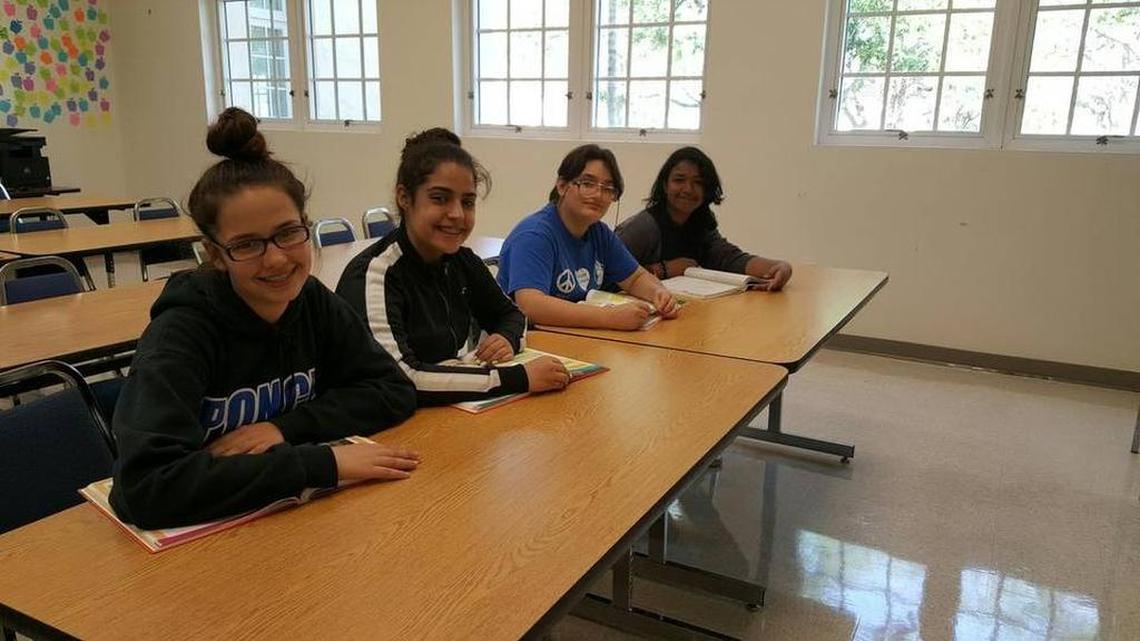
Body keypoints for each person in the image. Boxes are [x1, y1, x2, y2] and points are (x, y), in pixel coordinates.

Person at [110, 108, 419, 529]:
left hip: (287, 526)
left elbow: (392, 390)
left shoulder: (310, 301)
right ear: (215, 253)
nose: (276, 258)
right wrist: (323, 462)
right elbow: (145, 487)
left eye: (289, 233)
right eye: (247, 245)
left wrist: (283, 428)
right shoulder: (180, 335)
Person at [336, 128, 571, 405]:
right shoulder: (376, 274)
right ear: (404, 197)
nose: (457, 214)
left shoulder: (461, 261)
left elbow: (512, 315)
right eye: (439, 198)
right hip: (380, 424)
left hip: (438, 413)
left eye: (467, 202)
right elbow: (402, 376)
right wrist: (517, 378)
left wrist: (506, 338)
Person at [497, 144, 679, 330]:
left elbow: (635, 278)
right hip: (521, 342)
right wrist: (610, 318)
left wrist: (659, 293)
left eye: (608, 188)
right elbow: (530, 306)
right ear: (561, 186)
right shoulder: (534, 235)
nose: (598, 195)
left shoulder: (598, 232)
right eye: (587, 184)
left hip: (573, 335)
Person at [615, 147, 793, 290]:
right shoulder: (643, 227)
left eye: (698, 183)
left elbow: (728, 258)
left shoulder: (700, 222)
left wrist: (778, 267)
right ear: (665, 185)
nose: (688, 189)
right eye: (679, 180)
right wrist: (664, 269)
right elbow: (605, 274)